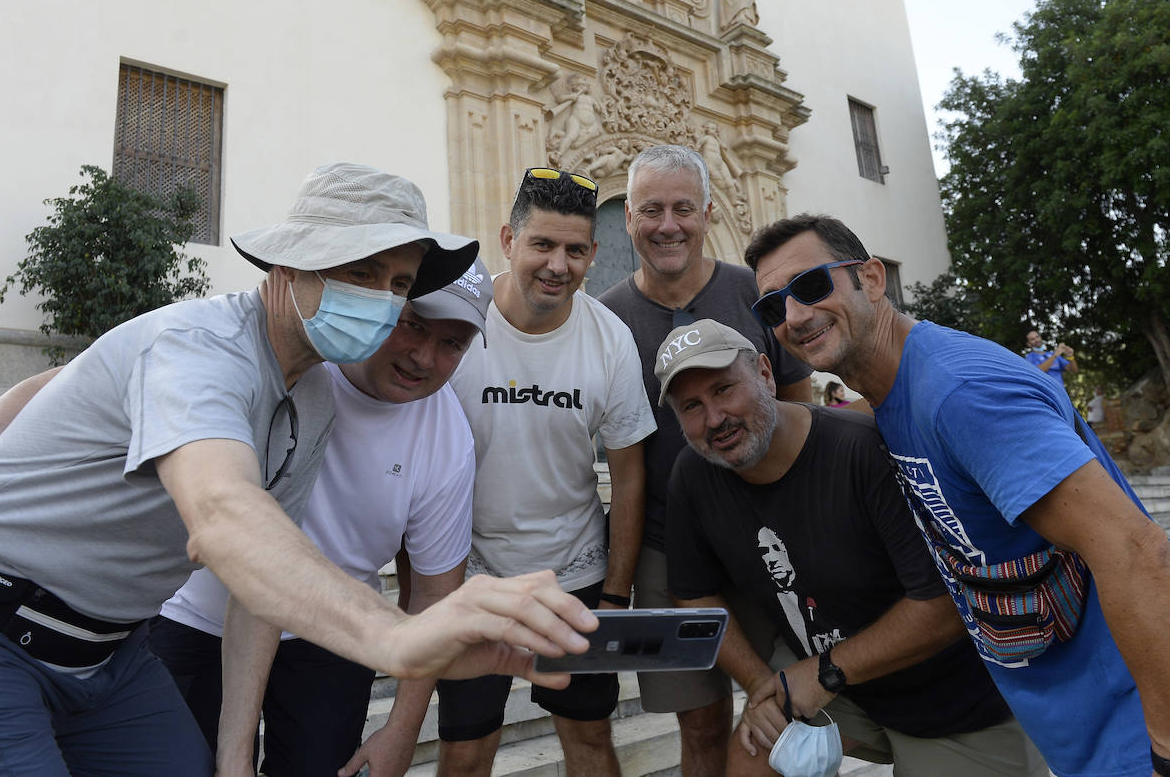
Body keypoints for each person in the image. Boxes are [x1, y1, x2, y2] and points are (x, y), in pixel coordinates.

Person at [0, 163, 597, 776]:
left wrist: (234, 756)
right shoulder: (203, 349)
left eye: (400, 284)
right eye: (361, 272)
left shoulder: (312, 396)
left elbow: (258, 584)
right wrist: (394, 637)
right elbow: (222, 514)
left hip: (109, 656)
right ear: (289, 264)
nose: (381, 301)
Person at [744, 213, 1170, 777]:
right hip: (1094, 727)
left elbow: (1134, 550)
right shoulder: (897, 395)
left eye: (811, 286)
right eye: (773, 306)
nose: (795, 316)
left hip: (1168, 722)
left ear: (871, 279)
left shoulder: (960, 394)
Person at [146, 257, 493, 777]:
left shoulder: (449, 440)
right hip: (200, 618)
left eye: (452, 344)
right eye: (413, 326)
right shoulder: (294, 364)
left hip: (328, 635)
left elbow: (433, 594)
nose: (423, 356)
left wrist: (400, 729)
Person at [655, 319, 1047, 776]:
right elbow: (693, 592)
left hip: (954, 703)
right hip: (840, 689)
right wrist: (765, 686)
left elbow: (944, 603)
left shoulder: (859, 451)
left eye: (724, 389)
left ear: (765, 373)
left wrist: (823, 673)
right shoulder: (695, 475)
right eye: (692, 406)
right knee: (755, 752)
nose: (714, 418)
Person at [598, 144, 812, 777]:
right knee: (700, 722)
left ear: (709, 212)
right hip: (668, 551)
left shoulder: (756, 293)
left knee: (790, 712)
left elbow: (800, 412)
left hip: (773, 540)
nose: (669, 225)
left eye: (683, 209)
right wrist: (619, 584)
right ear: (628, 220)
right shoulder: (607, 320)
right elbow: (626, 463)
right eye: (652, 210)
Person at [437, 167, 656, 777]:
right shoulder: (457, 320)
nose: (559, 264)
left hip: (575, 580)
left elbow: (629, 474)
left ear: (592, 254)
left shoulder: (609, 338)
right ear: (507, 240)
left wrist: (615, 594)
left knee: (589, 743)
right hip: (472, 578)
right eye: (543, 244)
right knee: (465, 748)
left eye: (576, 250)